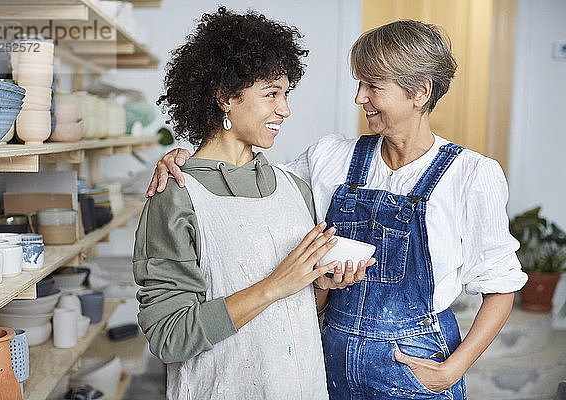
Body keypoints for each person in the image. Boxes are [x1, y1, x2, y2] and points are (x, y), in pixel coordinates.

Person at [146, 19, 528, 399]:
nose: (359, 98)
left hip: (414, 370)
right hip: (328, 366)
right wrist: (184, 161)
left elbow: (501, 286)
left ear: (420, 92)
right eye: (359, 84)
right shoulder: (329, 158)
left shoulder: (473, 175)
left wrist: (452, 371)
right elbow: (249, 188)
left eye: (373, 86)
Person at [133, 7, 374, 400]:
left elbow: (297, 313)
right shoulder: (177, 195)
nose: (285, 109)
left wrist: (320, 288)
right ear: (226, 97)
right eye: (271, 94)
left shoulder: (295, 187)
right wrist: (273, 286)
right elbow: (168, 336)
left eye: (285, 94)